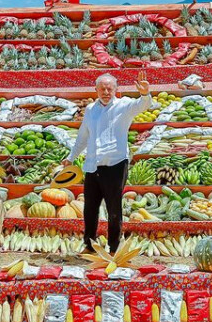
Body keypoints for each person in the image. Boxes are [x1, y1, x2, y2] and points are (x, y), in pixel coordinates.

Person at [62, 70, 151, 255]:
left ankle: (113, 248)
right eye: (102, 88)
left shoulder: (123, 105)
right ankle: (89, 244)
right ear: (96, 90)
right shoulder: (90, 110)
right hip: (93, 165)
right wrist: (71, 157)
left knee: (114, 209)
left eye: (110, 88)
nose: (106, 92)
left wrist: (144, 94)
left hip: (116, 164)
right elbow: (83, 136)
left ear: (116, 89)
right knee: (90, 209)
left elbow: (141, 106)